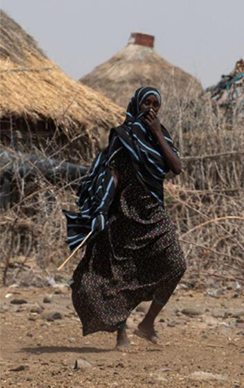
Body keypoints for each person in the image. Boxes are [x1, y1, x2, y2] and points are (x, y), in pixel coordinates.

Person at [64, 86, 185, 351]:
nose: (150, 109)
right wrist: (102, 210)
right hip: (125, 213)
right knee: (120, 274)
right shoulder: (122, 136)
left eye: (155, 104)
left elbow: (176, 167)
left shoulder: (161, 135)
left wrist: (157, 132)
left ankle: (147, 323)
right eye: (146, 103)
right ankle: (121, 334)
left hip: (154, 212)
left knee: (177, 264)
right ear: (135, 104)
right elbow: (113, 174)